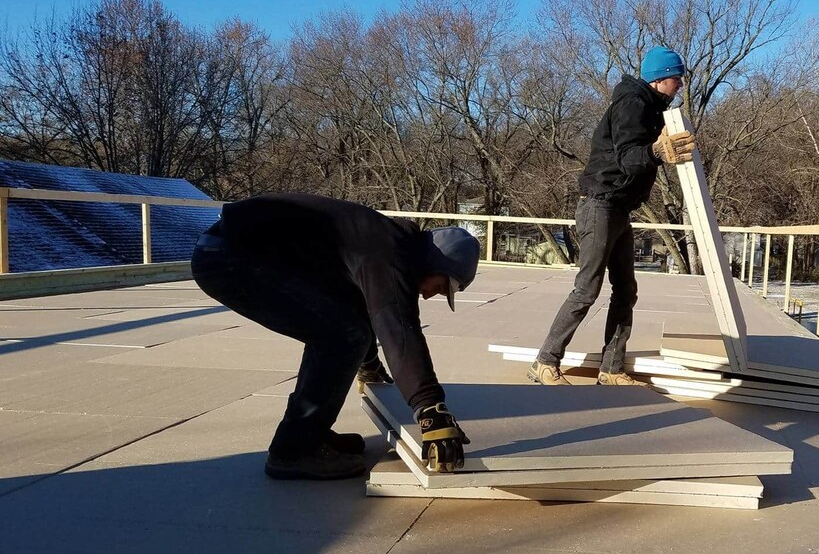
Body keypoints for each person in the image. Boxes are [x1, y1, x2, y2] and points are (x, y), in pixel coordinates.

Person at [191, 193, 476, 480]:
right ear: (433, 263)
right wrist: (431, 411)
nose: (429, 295)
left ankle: (307, 433)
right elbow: (399, 329)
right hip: (230, 257)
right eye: (439, 287)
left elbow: (356, 304)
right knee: (341, 337)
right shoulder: (387, 253)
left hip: (230, 252)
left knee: (343, 331)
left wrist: (369, 362)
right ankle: (294, 450)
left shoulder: (381, 244)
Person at [529, 45, 696, 386]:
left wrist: (659, 146)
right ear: (659, 79)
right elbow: (627, 158)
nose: (680, 84)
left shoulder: (651, 108)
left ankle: (612, 369)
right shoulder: (632, 105)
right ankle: (545, 361)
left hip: (618, 207)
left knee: (625, 290)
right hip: (600, 205)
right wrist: (656, 151)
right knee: (587, 289)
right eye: (676, 78)